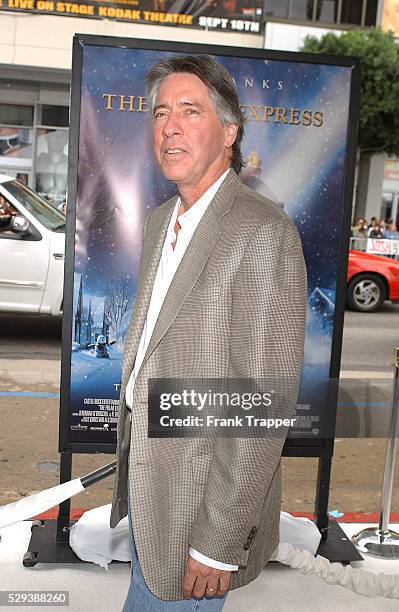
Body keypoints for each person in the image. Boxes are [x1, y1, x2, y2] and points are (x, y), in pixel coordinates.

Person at [110, 54, 307, 610]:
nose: (168, 126)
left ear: (228, 132)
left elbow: (259, 406)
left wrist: (218, 545)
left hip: (199, 511)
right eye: (160, 113)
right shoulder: (158, 223)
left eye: (188, 111)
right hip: (153, 494)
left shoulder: (263, 232)